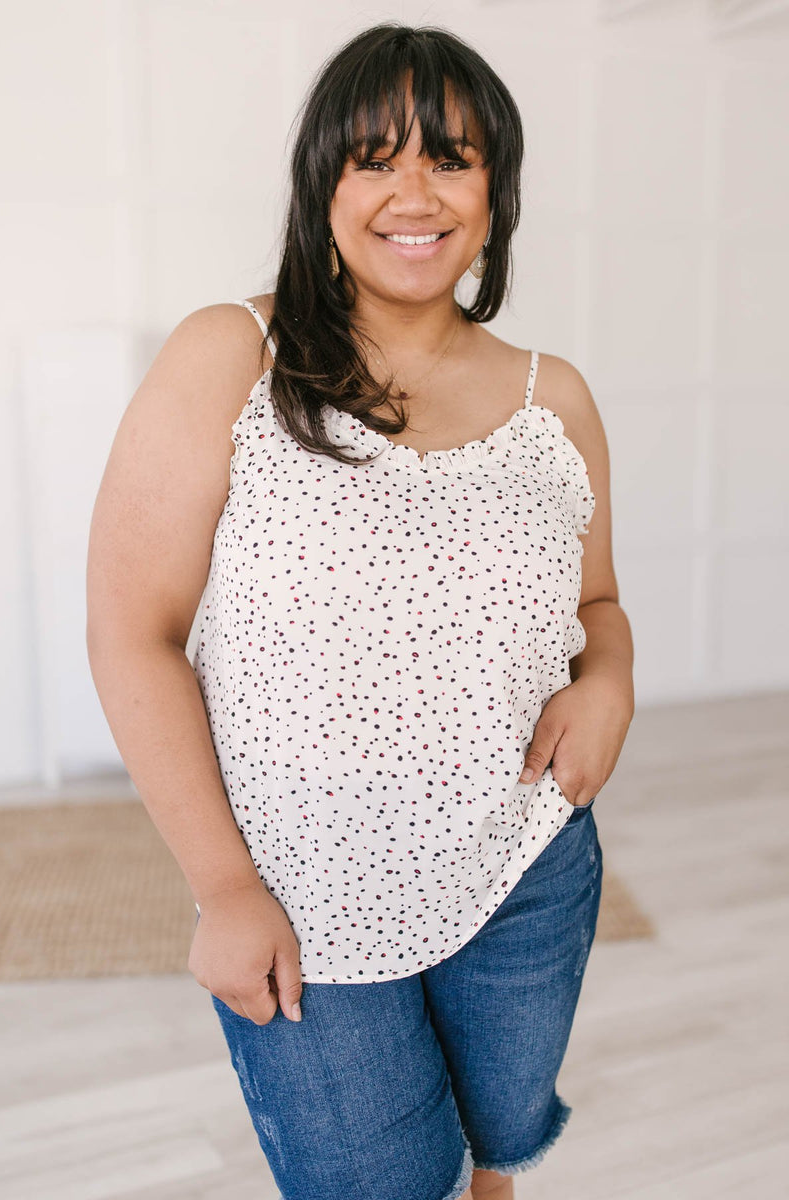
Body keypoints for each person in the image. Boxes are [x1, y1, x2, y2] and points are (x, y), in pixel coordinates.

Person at [86, 21, 634, 1200]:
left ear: (497, 194)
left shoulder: (557, 401)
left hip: (523, 870)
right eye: (372, 158)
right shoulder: (233, 353)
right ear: (319, 184)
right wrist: (225, 887)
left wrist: (610, 682)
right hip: (302, 899)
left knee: (491, 1169)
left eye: (451, 156)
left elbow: (595, 601)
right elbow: (133, 630)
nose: (412, 192)